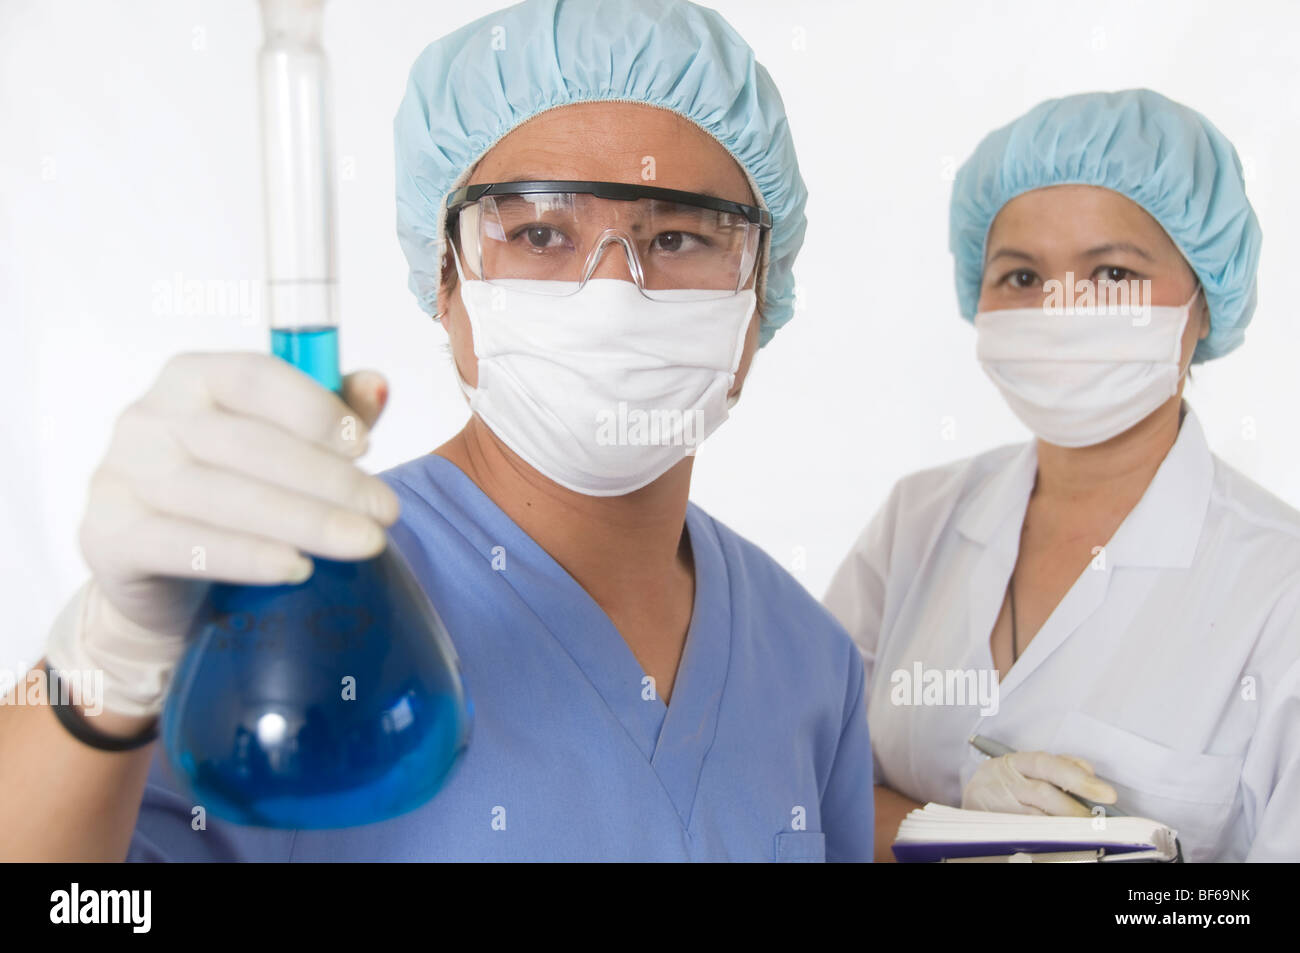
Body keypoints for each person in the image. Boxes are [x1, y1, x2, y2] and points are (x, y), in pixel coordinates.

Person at [0, 0, 873, 862]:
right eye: (539, 233)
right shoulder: (293, 604)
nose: (612, 294)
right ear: (446, 283)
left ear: (761, 295)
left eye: (678, 237)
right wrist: (105, 665)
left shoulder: (808, 661)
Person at [825, 89, 1299, 862]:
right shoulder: (918, 522)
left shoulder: (1279, 586)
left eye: (1112, 274)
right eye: (1020, 277)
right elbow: (803, 788)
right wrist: (949, 832)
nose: (1061, 308)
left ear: (1204, 302)